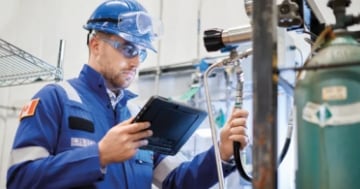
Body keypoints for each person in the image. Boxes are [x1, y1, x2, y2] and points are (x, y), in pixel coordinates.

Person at [6, 0, 249, 188]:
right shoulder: (56, 98)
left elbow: (176, 181)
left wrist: (222, 152)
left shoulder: (138, 115)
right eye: (128, 48)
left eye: (141, 53)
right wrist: (98, 156)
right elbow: (19, 179)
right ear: (96, 45)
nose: (135, 62)